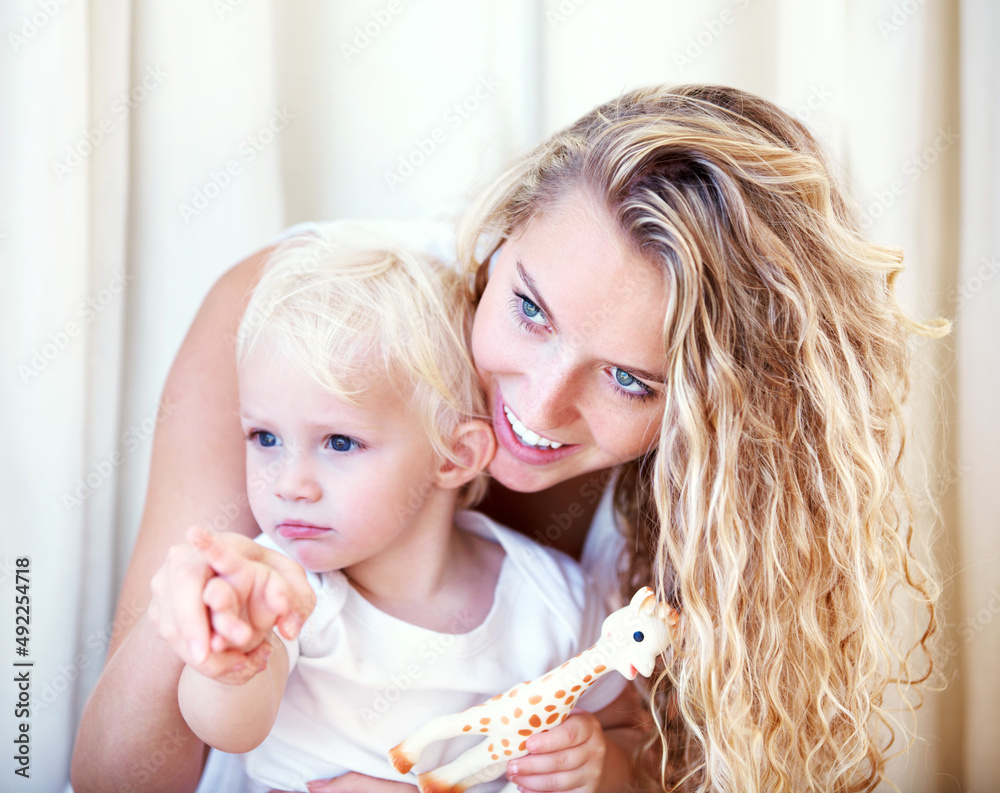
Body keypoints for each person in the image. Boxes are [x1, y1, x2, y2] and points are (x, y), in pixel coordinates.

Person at [72, 84, 946, 793]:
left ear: (707, 416)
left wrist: (597, 768)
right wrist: (196, 615)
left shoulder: (658, 544)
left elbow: (637, 763)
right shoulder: (305, 331)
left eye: (629, 379)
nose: (537, 404)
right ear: (503, 233)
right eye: (529, 308)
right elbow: (113, 773)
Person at [145, 227, 635, 793]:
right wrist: (230, 665)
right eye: (264, 437)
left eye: (339, 443)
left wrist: (597, 763)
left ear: (454, 456)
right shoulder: (284, 585)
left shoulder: (554, 602)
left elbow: (627, 735)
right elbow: (229, 730)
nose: (289, 484)